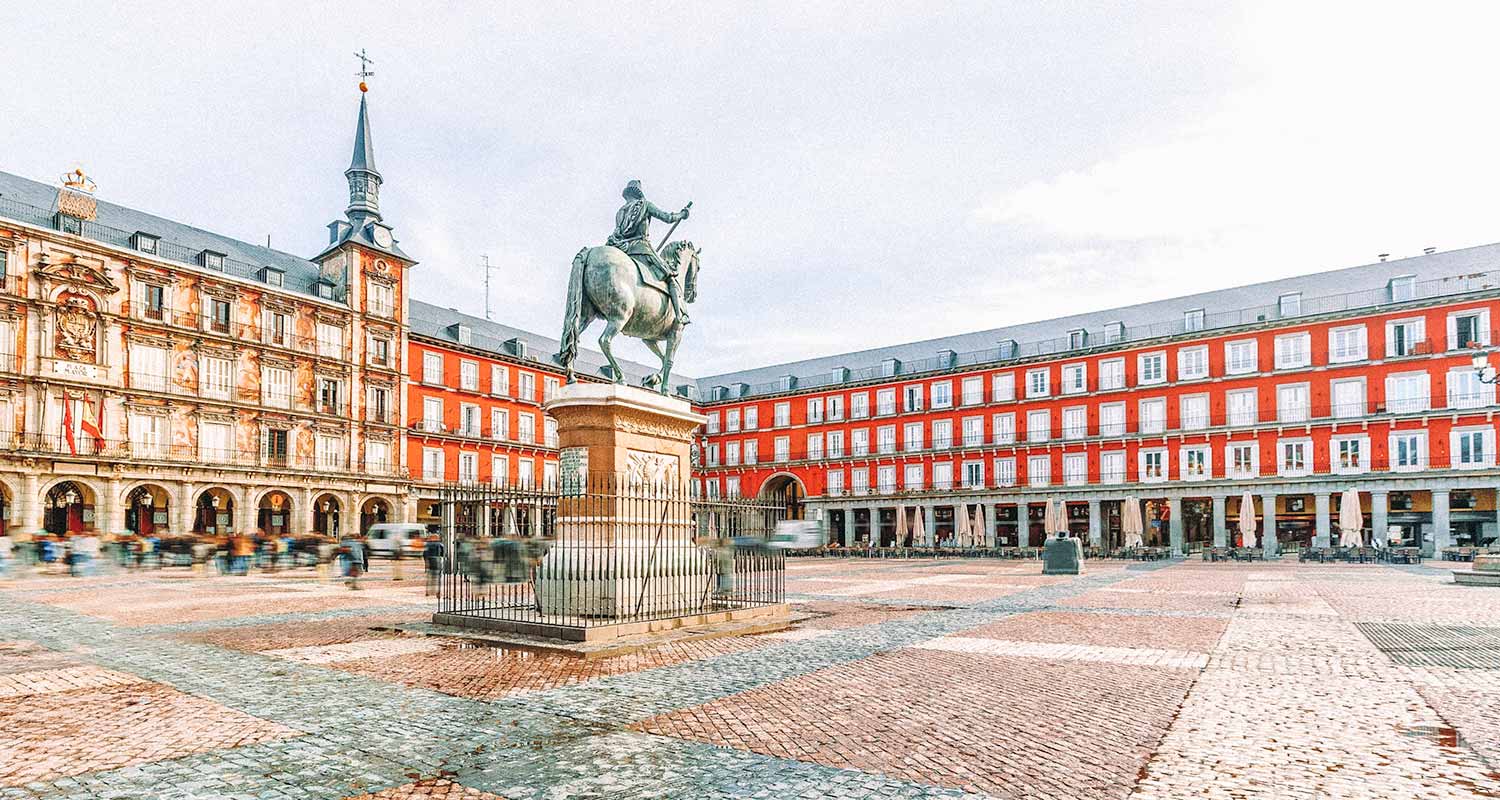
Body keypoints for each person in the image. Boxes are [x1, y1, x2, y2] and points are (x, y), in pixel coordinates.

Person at [607, 180, 692, 325]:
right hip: (641, 248)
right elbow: (668, 218)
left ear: (627, 194)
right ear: (639, 193)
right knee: (671, 276)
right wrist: (682, 214)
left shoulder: (619, 212)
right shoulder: (645, 204)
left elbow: (619, 233)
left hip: (623, 250)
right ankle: (680, 315)